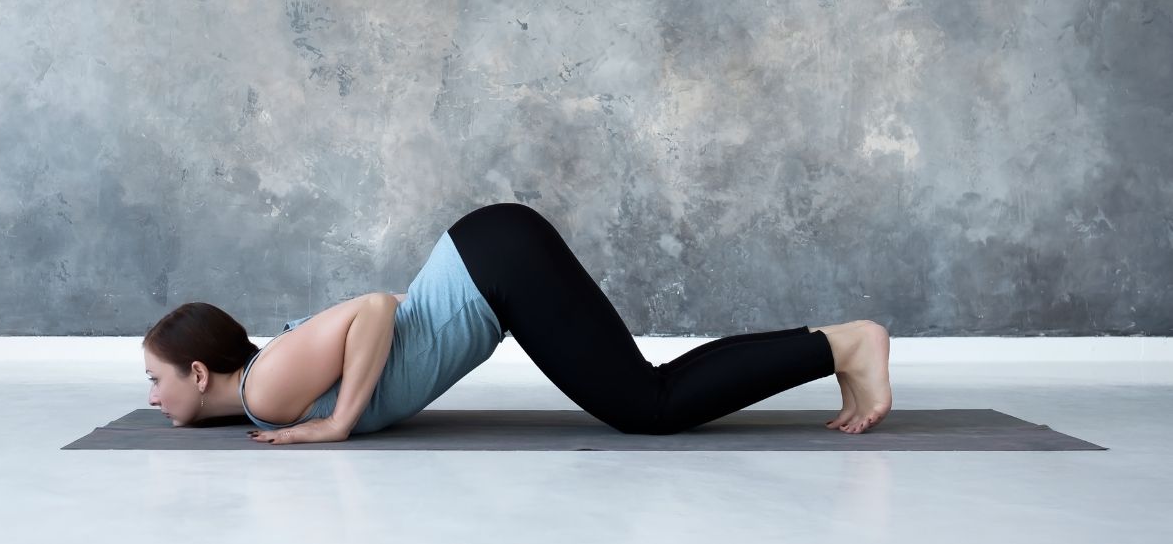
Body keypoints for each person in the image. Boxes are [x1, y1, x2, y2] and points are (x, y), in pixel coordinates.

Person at [142, 202, 892, 444]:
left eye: (155, 379)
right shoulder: (267, 389)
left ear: (198, 373)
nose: (151, 397)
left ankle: (845, 343)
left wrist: (341, 421)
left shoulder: (267, 388)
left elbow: (374, 308)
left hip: (496, 266)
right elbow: (392, 315)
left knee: (647, 406)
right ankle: (833, 345)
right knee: (647, 392)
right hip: (492, 259)